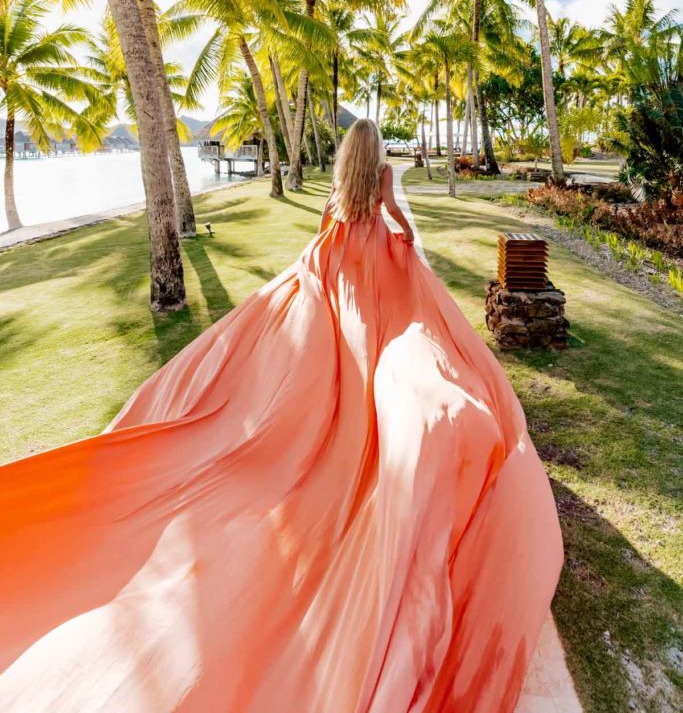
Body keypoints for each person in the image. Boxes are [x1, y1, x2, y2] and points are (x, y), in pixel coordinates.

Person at [0, 118, 562, 712]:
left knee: (346, 362)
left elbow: (324, 230)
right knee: (375, 353)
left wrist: (315, 266)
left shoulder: (343, 186)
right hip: (373, 273)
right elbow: (399, 222)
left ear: (349, 155)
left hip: (345, 272)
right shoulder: (385, 177)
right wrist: (401, 241)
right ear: (377, 156)